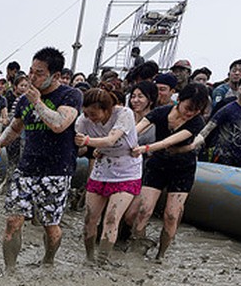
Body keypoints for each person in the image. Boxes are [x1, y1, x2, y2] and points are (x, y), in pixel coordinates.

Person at [0, 47, 83, 272]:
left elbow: (59, 124)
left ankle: (48, 260)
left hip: (56, 170)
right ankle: (9, 271)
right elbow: (15, 127)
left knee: (50, 225)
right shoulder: (24, 100)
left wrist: (39, 102)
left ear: (56, 76)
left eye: (39, 73)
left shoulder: (70, 95)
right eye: (31, 71)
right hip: (27, 167)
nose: (32, 77)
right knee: (13, 220)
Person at [123, 83, 211, 260]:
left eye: (196, 110)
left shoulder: (196, 122)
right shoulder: (161, 112)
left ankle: (161, 255)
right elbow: (136, 130)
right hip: (158, 165)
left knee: (171, 215)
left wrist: (145, 148)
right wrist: (121, 140)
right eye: (188, 108)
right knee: (143, 210)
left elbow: (169, 141)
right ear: (179, 100)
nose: (190, 113)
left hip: (183, 169)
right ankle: (139, 248)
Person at [73, 87, 142, 263]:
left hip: (127, 170)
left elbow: (111, 139)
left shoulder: (124, 114)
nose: (90, 119)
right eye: (87, 114)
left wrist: (89, 142)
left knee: (112, 218)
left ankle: (102, 261)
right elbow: (77, 144)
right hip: (102, 168)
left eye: (94, 114)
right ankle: (89, 259)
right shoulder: (83, 121)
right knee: (89, 217)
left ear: (107, 110)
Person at [192, 74, 241, 168]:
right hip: (221, 155)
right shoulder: (228, 108)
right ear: (238, 89)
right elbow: (208, 128)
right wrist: (195, 145)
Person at [128, 81, 158, 145]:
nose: (135, 100)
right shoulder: (126, 120)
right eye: (133, 96)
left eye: (140, 96)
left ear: (151, 100)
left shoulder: (156, 125)